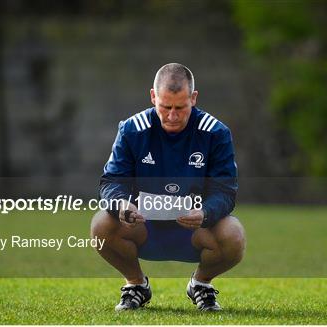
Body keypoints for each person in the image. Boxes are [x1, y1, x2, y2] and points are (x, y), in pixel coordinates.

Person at [91, 63, 246, 312]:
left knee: (234, 235)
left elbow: (225, 191)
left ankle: (201, 285)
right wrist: (121, 204)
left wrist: (205, 212)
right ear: (153, 97)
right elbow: (111, 181)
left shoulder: (216, 133)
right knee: (100, 225)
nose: (172, 116)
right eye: (165, 107)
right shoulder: (132, 130)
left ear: (193, 99)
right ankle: (136, 285)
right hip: (143, 228)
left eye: (180, 108)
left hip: (195, 231)